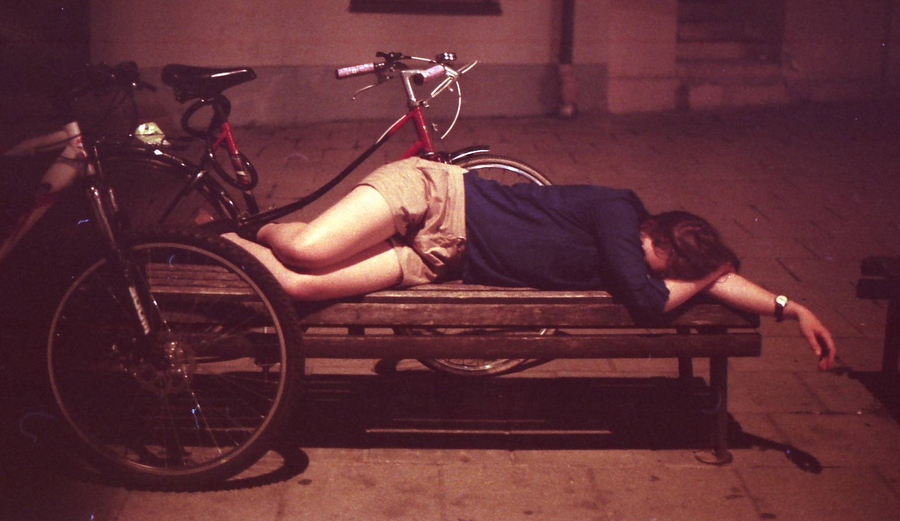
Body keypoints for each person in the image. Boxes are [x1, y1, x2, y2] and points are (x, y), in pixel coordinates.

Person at [224, 157, 837, 371]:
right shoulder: (619, 213)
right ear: (653, 231)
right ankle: (253, 225)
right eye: (663, 262)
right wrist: (703, 275)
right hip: (435, 197)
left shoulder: (648, 254)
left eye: (671, 271)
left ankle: (221, 242)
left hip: (438, 259)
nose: (654, 272)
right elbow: (653, 304)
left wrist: (791, 307)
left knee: (294, 285)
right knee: (305, 250)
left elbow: (717, 281)